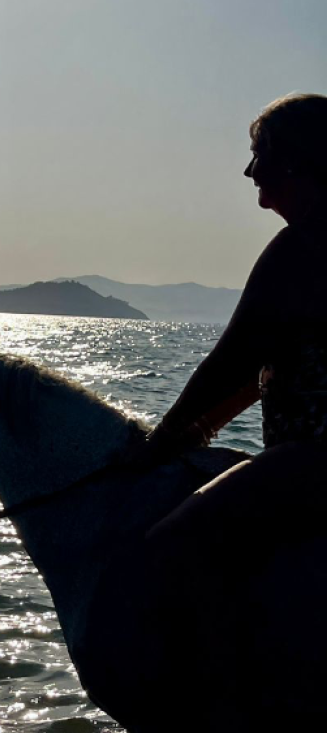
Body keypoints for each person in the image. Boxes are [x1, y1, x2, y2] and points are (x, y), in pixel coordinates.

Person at [139, 93, 327, 576]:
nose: (249, 171)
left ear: (296, 160)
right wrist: (196, 432)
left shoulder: (304, 247)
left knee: (164, 547)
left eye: (259, 153)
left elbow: (231, 362)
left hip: (314, 464)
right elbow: (260, 368)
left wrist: (153, 447)